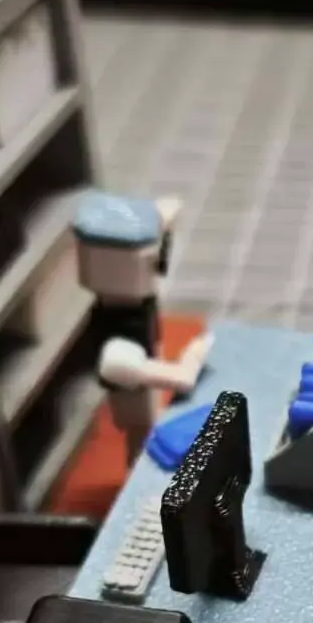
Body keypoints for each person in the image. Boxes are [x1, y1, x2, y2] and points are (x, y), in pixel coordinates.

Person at [73, 190, 212, 464]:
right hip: (140, 414)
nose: (155, 263)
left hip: (149, 400)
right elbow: (182, 378)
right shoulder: (116, 349)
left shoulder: (132, 308)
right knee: (142, 455)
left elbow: (167, 209)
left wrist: (160, 220)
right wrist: (195, 354)